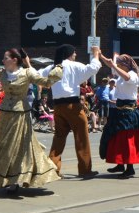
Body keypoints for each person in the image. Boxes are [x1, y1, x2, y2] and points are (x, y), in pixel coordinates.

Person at [0, 48, 63, 192]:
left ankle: (15, 180)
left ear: (14, 60)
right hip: (5, 114)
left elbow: (46, 83)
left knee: (18, 147)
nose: (2, 60)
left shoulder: (27, 72)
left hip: (21, 114)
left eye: (5, 58)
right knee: (3, 146)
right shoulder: (2, 73)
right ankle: (6, 178)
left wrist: (57, 71)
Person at [41, 44, 101, 179]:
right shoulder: (73, 66)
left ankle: (52, 168)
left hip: (58, 107)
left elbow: (37, 75)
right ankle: (85, 169)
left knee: (59, 137)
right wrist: (96, 54)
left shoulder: (52, 67)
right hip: (72, 105)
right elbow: (93, 68)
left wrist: (27, 64)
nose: (75, 55)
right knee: (81, 136)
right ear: (69, 53)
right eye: (74, 53)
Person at [99, 53, 139, 178]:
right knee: (116, 138)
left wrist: (114, 66)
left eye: (119, 64)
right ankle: (120, 164)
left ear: (125, 65)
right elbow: (112, 66)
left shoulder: (133, 75)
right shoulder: (120, 75)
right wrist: (101, 56)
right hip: (119, 109)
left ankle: (130, 168)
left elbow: (127, 77)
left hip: (128, 111)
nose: (117, 66)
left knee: (127, 139)